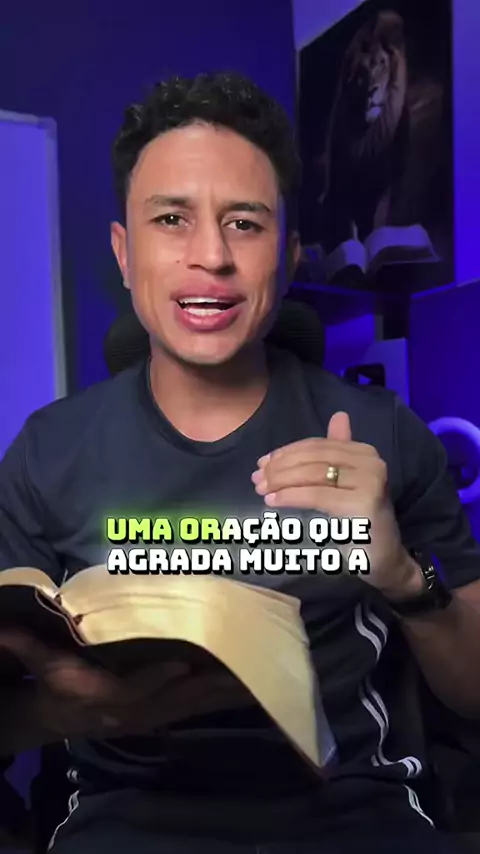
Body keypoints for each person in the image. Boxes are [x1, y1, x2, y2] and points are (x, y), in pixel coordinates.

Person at [0, 71, 479, 854]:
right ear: (125, 253)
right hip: (124, 822)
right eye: (171, 219)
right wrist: (66, 713)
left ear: (286, 257)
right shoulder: (47, 452)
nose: (212, 256)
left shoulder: (383, 434)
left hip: (355, 817)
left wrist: (402, 577)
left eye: (245, 224)